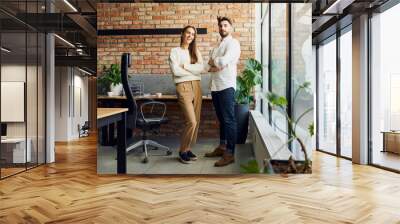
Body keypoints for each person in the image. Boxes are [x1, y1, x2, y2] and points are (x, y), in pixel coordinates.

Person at [204, 16, 241, 167]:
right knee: (222, 120)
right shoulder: (216, 47)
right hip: (215, 86)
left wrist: (217, 62)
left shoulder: (234, 43)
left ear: (230, 27)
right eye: (220, 26)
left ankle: (230, 153)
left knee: (229, 120)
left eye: (225, 25)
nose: (222, 28)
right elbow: (209, 65)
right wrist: (216, 63)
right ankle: (222, 147)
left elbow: (222, 62)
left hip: (226, 86)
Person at [169, 25, 204, 164]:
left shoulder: (195, 51)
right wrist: (193, 71)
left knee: (196, 121)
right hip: (183, 87)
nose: (190, 36)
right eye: (188, 33)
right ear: (182, 34)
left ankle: (188, 148)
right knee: (191, 121)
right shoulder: (175, 51)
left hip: (196, 86)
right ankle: (182, 150)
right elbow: (175, 72)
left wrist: (186, 66)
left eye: (193, 34)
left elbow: (201, 68)